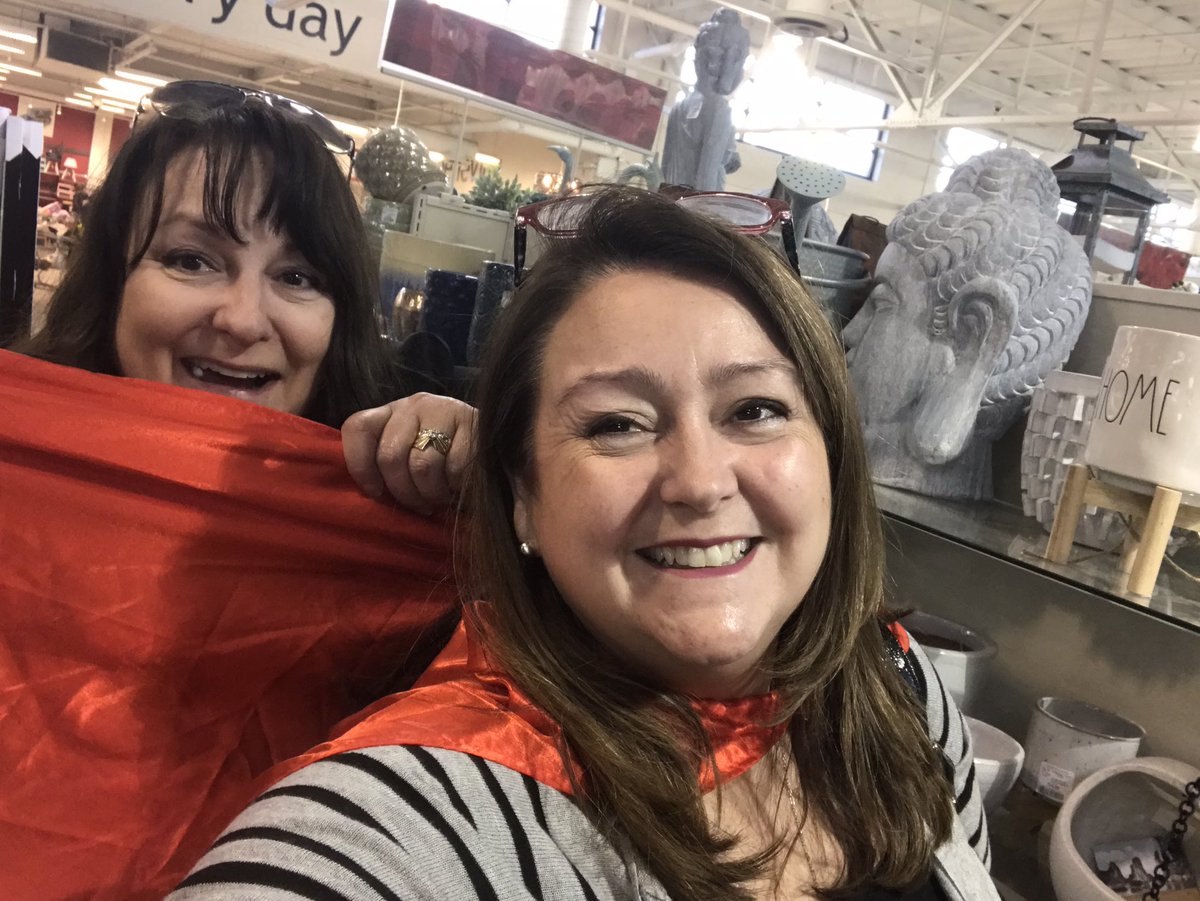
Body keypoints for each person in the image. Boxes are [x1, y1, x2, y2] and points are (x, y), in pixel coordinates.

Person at [170, 188, 997, 900]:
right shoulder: (424, 812)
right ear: (523, 497)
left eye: (755, 410)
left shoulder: (894, 684)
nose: (700, 481)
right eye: (616, 425)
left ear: (831, 454)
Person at [12, 79, 473, 510]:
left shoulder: (382, 501)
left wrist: (464, 463)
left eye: (297, 278)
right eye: (191, 261)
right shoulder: (18, 465)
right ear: (112, 281)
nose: (244, 321)